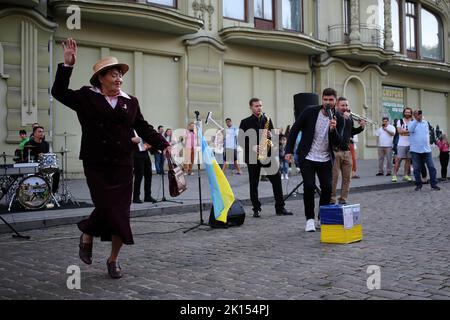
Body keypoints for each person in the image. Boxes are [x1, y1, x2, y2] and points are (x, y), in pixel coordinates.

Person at [51, 38, 170, 279]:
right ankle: (87, 233)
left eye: (120, 75)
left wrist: (163, 144)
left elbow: (143, 127)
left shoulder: (130, 101)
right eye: (114, 75)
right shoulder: (86, 97)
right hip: (97, 163)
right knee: (107, 207)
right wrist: (67, 66)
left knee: (121, 213)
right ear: (101, 78)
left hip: (123, 163)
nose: (119, 79)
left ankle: (113, 260)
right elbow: (59, 92)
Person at [285, 88, 343, 232]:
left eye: (331, 100)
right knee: (309, 186)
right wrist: (288, 150)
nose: (328, 103)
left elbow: (338, 143)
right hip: (308, 156)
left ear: (335, 101)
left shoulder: (339, 118)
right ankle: (309, 219)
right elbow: (295, 129)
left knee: (328, 188)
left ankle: (320, 218)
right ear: (322, 100)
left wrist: (333, 129)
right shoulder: (310, 111)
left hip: (325, 159)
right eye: (325, 99)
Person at [239, 98, 293, 218]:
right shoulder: (245, 122)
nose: (259, 108)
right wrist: (252, 147)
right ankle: (256, 209)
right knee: (254, 183)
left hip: (267, 155)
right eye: (256, 106)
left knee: (277, 180)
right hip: (252, 156)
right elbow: (241, 140)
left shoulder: (267, 120)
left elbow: (274, 139)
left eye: (260, 106)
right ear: (251, 107)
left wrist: (271, 135)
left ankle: (280, 207)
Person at [331, 97, 365, 205]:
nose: (345, 107)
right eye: (342, 105)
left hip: (347, 152)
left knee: (347, 178)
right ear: (337, 106)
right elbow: (337, 130)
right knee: (334, 178)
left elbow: (351, 132)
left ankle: (343, 200)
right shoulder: (334, 116)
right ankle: (332, 200)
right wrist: (343, 119)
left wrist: (361, 127)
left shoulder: (349, 118)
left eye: (346, 105)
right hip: (336, 152)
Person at [408, 109, 440, 191]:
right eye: (417, 113)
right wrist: (416, 120)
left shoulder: (425, 122)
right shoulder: (411, 123)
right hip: (415, 150)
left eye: (420, 113)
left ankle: (434, 185)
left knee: (432, 167)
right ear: (414, 115)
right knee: (416, 169)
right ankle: (418, 185)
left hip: (426, 150)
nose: (419, 115)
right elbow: (410, 130)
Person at [23, 126, 60, 194]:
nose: (42, 133)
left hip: (43, 166)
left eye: (42, 132)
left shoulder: (46, 144)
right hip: (33, 167)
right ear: (34, 133)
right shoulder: (28, 144)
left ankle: (53, 192)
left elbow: (47, 157)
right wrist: (37, 156)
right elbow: (25, 157)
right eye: (39, 131)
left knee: (57, 172)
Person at [392, 107, 413, 182]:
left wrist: (405, 131)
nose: (407, 113)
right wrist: (409, 131)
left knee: (408, 160)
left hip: (410, 144)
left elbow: (414, 132)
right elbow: (399, 131)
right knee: (398, 160)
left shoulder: (413, 121)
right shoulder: (400, 121)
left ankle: (405, 175)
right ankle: (394, 175)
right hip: (401, 144)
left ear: (411, 113)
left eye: (409, 112)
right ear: (404, 113)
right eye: (406, 112)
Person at [132, 137, 157, 204]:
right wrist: (131, 139)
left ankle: (147, 196)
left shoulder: (142, 130)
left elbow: (145, 142)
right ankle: (136, 197)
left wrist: (150, 146)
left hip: (145, 154)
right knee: (139, 176)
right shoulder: (131, 130)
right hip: (137, 155)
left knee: (149, 175)